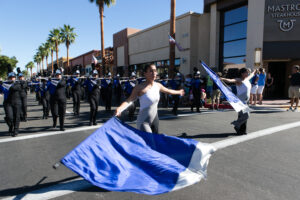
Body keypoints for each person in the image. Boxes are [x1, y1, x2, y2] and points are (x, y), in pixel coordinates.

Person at [115, 64, 184, 133]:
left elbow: (169, 91)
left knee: (155, 142)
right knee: (149, 141)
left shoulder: (158, 85)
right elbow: (129, 100)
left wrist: (179, 92)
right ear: (145, 73)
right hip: (143, 122)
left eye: (155, 71)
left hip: (155, 120)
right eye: (151, 71)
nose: (154, 73)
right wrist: (120, 109)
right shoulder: (139, 87)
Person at [221, 68, 256, 135]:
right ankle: (236, 124)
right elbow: (230, 80)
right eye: (246, 72)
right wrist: (222, 79)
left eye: (248, 72)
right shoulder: (239, 80)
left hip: (246, 101)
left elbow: (252, 75)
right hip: (240, 102)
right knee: (246, 116)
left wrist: (255, 71)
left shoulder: (246, 79)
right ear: (242, 73)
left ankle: (241, 130)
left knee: (243, 117)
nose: (248, 73)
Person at [0, 71, 21, 136]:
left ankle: (16, 130)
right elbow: (1, 91)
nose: (12, 78)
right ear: (8, 78)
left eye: (13, 77)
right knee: (9, 117)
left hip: (16, 102)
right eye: (10, 77)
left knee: (16, 117)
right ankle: (11, 126)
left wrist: (4, 84)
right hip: (7, 103)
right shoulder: (4, 84)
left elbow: (14, 88)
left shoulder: (18, 83)